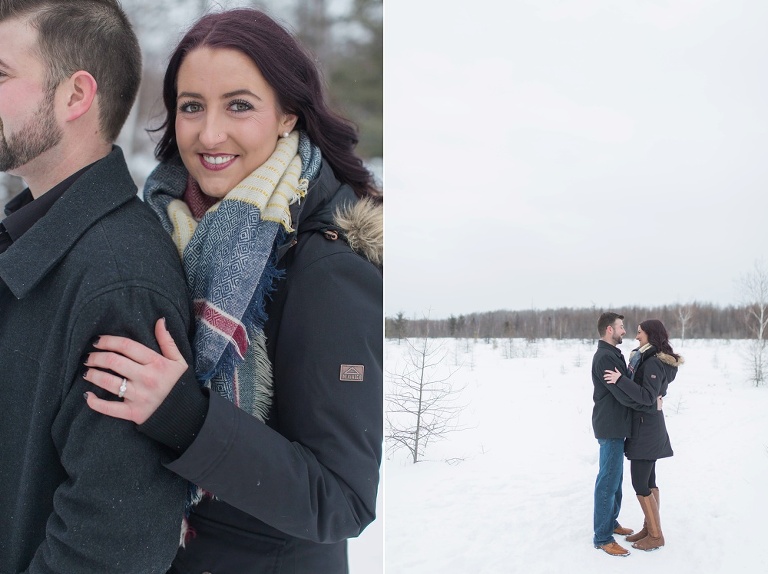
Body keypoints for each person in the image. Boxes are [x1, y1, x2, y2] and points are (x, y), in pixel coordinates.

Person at [82, 8, 383, 573]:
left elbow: (344, 501)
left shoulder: (329, 266)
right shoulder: (161, 227)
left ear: (288, 115)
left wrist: (187, 418)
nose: (209, 133)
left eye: (239, 105)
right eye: (191, 106)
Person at [0, 0, 195, 571]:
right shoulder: (32, 237)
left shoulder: (118, 282)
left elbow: (111, 547)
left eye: (1, 74)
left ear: (75, 96)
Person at [604, 319, 683, 551]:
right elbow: (653, 396)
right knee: (649, 481)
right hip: (646, 425)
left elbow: (648, 397)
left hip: (646, 429)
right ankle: (650, 528)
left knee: (640, 482)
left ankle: (656, 536)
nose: (636, 336)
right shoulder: (649, 358)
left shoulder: (652, 363)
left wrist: (620, 380)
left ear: (650, 334)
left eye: (640, 332)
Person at [591, 312, 656, 557]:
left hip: (618, 425)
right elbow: (622, 394)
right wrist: (648, 404)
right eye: (620, 327)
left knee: (615, 480)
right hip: (610, 426)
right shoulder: (604, 358)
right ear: (609, 329)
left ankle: (611, 522)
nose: (624, 331)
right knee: (607, 481)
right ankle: (602, 537)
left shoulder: (614, 354)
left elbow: (625, 385)